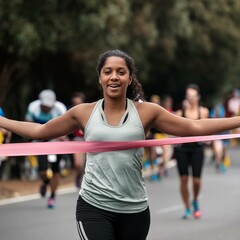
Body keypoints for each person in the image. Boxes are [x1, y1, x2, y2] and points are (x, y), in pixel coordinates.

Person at [1, 50, 240, 239]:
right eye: (108, 71)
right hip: (93, 206)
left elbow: (194, 127)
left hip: (134, 210)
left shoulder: (147, 112)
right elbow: (40, 130)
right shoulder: (83, 113)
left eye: (120, 71)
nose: (114, 76)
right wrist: (2, 121)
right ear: (100, 77)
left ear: (129, 77)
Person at [25, 89, 67, 208]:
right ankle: (45, 181)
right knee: (43, 171)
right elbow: (27, 123)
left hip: (55, 140)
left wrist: (62, 137)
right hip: (40, 140)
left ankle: (52, 196)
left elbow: (66, 125)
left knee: (56, 171)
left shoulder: (60, 108)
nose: (46, 108)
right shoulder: (33, 107)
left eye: (48, 106)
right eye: (44, 106)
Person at [174, 84, 209, 219]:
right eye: (188, 96)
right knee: (183, 178)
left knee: (196, 181)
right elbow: (176, 130)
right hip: (182, 148)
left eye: (193, 96)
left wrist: (209, 139)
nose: (191, 98)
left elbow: (206, 128)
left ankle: (195, 200)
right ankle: (187, 207)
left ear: (198, 97)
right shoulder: (179, 113)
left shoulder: (203, 111)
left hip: (197, 149)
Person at [69, 91, 86, 188]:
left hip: (88, 140)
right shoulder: (70, 114)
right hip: (76, 140)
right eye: (75, 104)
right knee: (78, 164)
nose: (77, 106)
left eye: (79, 103)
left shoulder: (89, 112)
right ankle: (79, 175)